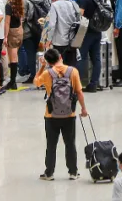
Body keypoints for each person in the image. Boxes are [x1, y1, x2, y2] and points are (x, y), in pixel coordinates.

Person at [34, 47, 89, 180]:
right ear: (60, 57)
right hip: (69, 114)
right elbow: (79, 92)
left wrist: (42, 68)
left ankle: (49, 173)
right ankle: (73, 172)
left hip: (51, 115)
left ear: (48, 62)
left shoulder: (48, 74)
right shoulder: (72, 71)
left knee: (51, 145)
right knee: (70, 143)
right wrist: (83, 109)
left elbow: (36, 82)